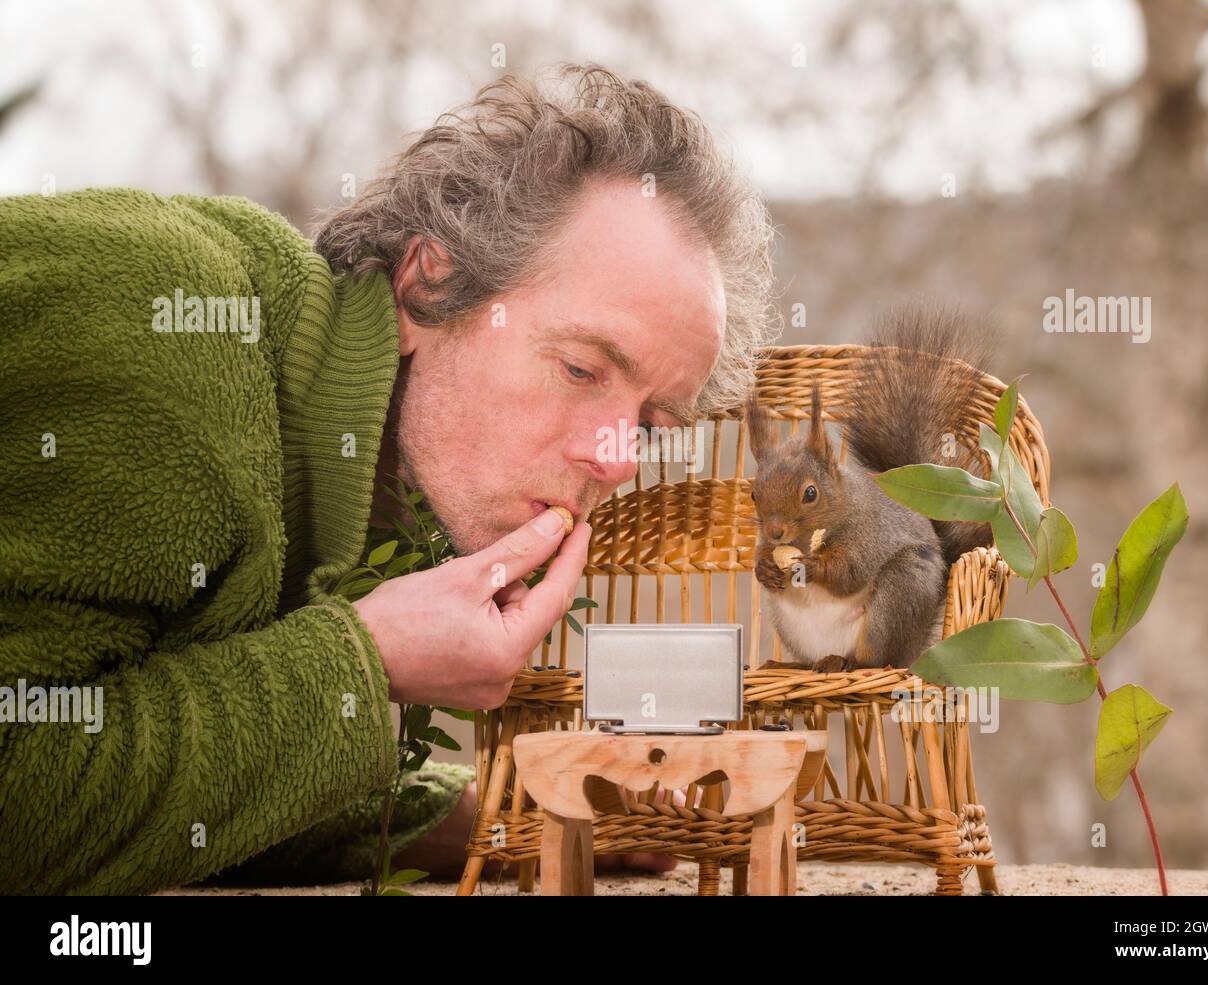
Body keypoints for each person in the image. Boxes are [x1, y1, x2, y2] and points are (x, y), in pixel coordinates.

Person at [0, 63, 778, 892]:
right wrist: (366, 658)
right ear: (426, 283)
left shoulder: (329, 459)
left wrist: (510, 819)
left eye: (654, 424)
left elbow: (172, 791)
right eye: (583, 368)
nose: (618, 457)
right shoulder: (168, 338)